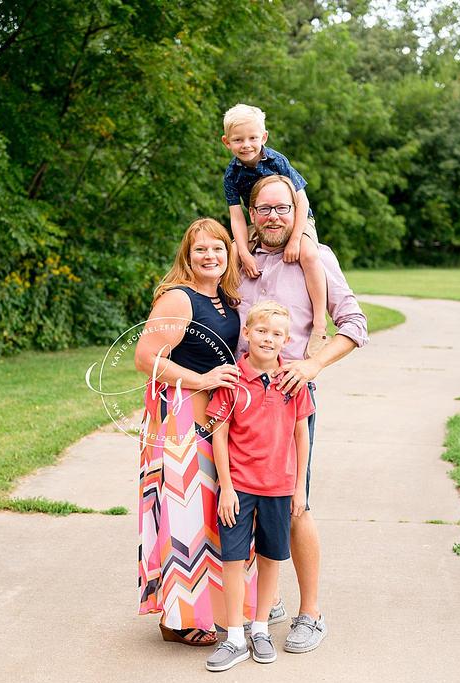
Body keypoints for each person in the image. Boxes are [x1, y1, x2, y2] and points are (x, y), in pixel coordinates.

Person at [237, 173, 369, 653]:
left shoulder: (316, 257)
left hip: (287, 404)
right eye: (265, 208)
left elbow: (355, 323)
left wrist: (311, 362)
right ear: (252, 214)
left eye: (283, 208)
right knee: (240, 503)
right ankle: (264, 600)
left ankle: (310, 612)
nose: (274, 216)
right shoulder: (239, 261)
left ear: (297, 213)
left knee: (294, 504)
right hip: (237, 400)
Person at [135, 218, 256, 645]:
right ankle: (178, 619)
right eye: (200, 249)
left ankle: (213, 609)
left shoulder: (226, 299)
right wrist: (201, 381)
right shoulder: (178, 298)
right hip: (181, 418)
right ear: (187, 255)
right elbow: (146, 357)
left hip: (217, 420)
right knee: (183, 516)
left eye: (218, 249)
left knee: (213, 514)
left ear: (229, 254)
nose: (210, 257)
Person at [204, 301, 314, 672]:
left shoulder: (293, 382)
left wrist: (300, 487)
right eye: (261, 331)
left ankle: (262, 629)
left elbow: (303, 436)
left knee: (270, 559)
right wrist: (228, 487)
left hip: (280, 488)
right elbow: (219, 438)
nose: (268, 339)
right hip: (239, 488)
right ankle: (235, 637)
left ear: (287, 340)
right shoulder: (232, 380)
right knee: (234, 560)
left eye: (277, 334)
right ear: (247, 334)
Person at [221, 103, 330, 356]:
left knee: (310, 254)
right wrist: (246, 254)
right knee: (231, 253)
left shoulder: (277, 160)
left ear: (264, 137)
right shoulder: (231, 174)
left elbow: (302, 201)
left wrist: (294, 240)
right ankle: (226, 322)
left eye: (252, 138)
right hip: (258, 221)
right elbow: (237, 217)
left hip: (297, 218)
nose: (246, 144)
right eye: (238, 140)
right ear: (227, 142)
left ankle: (319, 324)